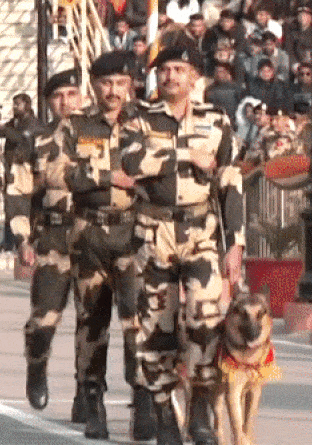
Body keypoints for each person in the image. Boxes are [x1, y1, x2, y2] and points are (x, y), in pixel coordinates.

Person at [121, 46, 244, 445]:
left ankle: (201, 411)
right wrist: (187, 153)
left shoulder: (216, 120)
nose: (170, 76)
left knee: (205, 323)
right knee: (156, 330)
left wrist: (235, 242)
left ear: (194, 78)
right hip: (153, 233)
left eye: (179, 69)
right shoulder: (138, 117)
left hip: (200, 233)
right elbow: (132, 162)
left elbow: (230, 181)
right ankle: (163, 415)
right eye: (164, 70)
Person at [51, 50, 156, 441]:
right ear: (93, 86)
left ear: (131, 85)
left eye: (121, 83)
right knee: (92, 322)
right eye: (106, 83)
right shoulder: (75, 125)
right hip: (90, 235)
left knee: (137, 321)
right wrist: (106, 175)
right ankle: (92, 399)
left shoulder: (147, 123)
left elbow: (162, 169)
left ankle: (142, 400)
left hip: (133, 235)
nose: (113, 91)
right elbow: (56, 172)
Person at [9, 69, 83, 414]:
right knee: (44, 320)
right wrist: (23, 238)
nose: (66, 102)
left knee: (92, 322)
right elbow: (19, 192)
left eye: (72, 94)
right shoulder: (35, 142)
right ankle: (36, 366)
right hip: (54, 238)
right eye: (58, 96)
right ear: (49, 102)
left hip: (94, 237)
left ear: (82, 97)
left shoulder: (101, 136)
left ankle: (88, 393)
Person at [0, 93, 41, 252]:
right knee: (9, 205)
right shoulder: (15, 122)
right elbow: (3, 132)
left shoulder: (32, 123)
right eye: (14, 104)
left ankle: (21, 243)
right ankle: (8, 242)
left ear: (27, 105)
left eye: (17, 104)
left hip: (24, 170)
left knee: (20, 207)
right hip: (11, 168)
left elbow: (20, 137)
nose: (14, 107)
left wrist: (4, 129)